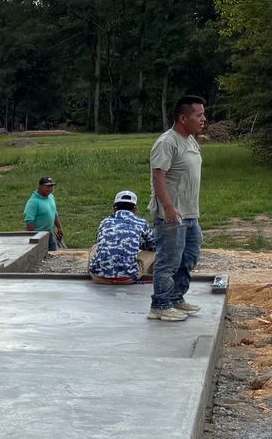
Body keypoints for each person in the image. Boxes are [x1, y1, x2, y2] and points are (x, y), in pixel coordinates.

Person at [148, 95, 206, 321]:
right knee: (169, 261)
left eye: (203, 114)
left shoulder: (190, 140)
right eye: (198, 115)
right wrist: (169, 208)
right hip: (172, 215)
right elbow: (158, 176)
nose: (203, 119)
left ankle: (175, 297)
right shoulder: (167, 142)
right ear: (183, 117)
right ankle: (160, 305)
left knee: (189, 257)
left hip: (191, 213)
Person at [88, 190, 157, 283]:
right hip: (128, 278)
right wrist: (138, 245)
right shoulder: (141, 223)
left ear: (114, 208)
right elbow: (153, 245)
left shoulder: (105, 222)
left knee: (95, 247)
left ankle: (93, 268)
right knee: (154, 251)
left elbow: (101, 242)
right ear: (135, 209)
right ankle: (152, 273)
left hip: (99, 277)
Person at [23, 175, 63, 248]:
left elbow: (54, 213)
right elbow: (29, 221)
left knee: (54, 254)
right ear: (40, 187)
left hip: (50, 233)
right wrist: (35, 239)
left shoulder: (51, 197)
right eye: (47, 186)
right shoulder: (33, 202)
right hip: (39, 235)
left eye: (52, 186)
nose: (50, 189)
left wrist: (59, 228)